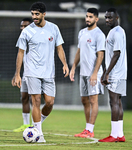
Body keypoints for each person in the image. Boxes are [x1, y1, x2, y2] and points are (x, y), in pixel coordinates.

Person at [13, 2, 69, 143]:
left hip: (48, 72)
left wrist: (65, 64)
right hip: (32, 72)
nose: (34, 17)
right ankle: (39, 134)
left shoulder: (54, 28)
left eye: (37, 14)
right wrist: (17, 74)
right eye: (32, 14)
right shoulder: (26, 31)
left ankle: (36, 125)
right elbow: (20, 53)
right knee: (36, 100)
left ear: (44, 14)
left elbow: (59, 48)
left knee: (50, 103)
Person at [69, 8, 105, 138]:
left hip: (93, 73)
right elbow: (79, 51)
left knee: (93, 100)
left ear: (96, 19)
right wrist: (73, 67)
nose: (87, 19)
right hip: (83, 73)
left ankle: (90, 130)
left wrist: (95, 73)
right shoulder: (82, 32)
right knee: (84, 100)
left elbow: (100, 55)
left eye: (90, 17)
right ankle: (86, 129)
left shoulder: (99, 34)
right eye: (86, 16)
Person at [99, 8, 127, 142]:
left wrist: (107, 73)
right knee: (118, 102)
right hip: (118, 72)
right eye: (106, 17)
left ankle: (114, 135)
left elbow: (116, 54)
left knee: (114, 101)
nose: (107, 20)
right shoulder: (114, 32)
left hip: (116, 73)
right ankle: (120, 134)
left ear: (116, 17)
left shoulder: (117, 33)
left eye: (110, 17)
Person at [12, 18, 33, 132]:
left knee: (35, 99)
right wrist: (17, 74)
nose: (22, 28)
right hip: (25, 75)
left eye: (25, 26)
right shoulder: (22, 40)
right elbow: (20, 59)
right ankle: (25, 124)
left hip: (36, 75)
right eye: (21, 26)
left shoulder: (35, 40)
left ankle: (35, 125)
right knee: (24, 98)